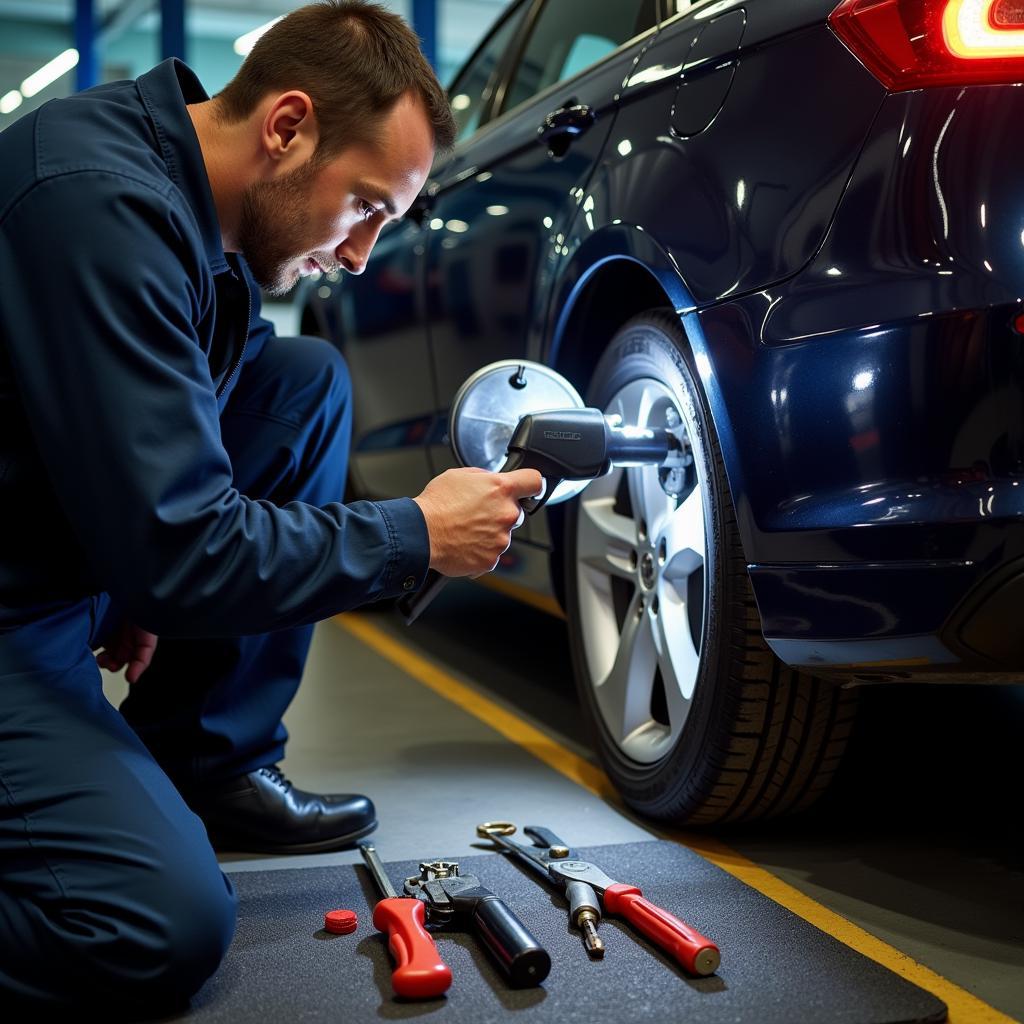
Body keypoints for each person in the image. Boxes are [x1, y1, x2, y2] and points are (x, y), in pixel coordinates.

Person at [0, 0, 542, 1010]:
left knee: (303, 378)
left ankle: (209, 760)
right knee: (152, 926)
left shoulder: (202, 220)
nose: (361, 254)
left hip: (48, 556)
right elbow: (186, 545)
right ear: (286, 127)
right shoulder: (94, 204)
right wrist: (414, 531)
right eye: (366, 206)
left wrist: (143, 574)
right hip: (10, 614)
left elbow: (174, 462)